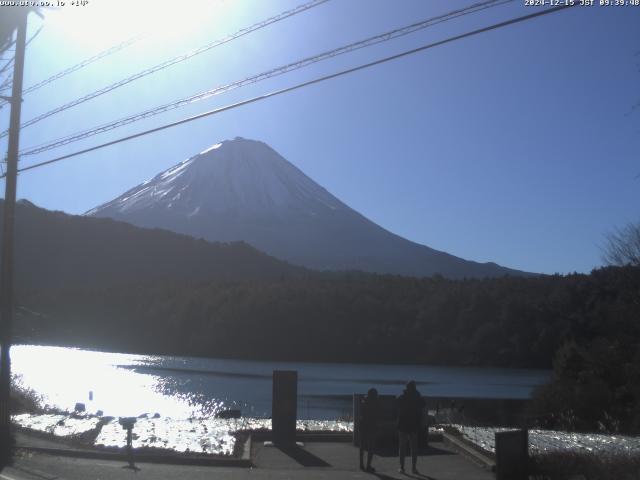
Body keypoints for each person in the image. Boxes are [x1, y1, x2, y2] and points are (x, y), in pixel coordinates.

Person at [396, 380, 425, 474]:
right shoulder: (417, 397)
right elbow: (423, 404)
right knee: (414, 448)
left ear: (407, 388)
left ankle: (402, 467)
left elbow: (397, 404)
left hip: (403, 424)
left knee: (402, 447)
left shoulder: (402, 397)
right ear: (415, 388)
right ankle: (413, 468)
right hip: (413, 425)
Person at [359, 387, 380, 472]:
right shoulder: (376, 403)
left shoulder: (364, 401)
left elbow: (361, 413)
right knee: (371, 447)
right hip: (371, 426)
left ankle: (361, 464)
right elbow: (378, 414)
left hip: (363, 425)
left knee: (362, 446)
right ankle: (368, 465)